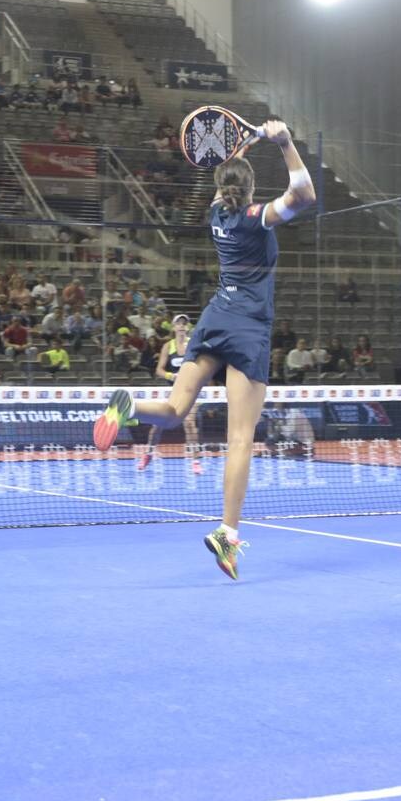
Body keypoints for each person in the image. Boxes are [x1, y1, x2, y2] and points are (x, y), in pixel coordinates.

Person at [91, 121, 315, 580]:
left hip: (213, 319)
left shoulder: (217, 215)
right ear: (251, 190)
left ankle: (128, 405)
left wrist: (250, 150)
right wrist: (286, 143)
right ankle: (226, 533)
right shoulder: (256, 218)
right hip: (249, 328)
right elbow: (304, 196)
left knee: (174, 409)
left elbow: (228, 185)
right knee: (239, 440)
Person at [137, 314, 205, 475]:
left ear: (188, 328)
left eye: (184, 323)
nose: (181, 326)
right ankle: (149, 454)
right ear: (174, 328)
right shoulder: (168, 346)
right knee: (157, 426)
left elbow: (202, 367)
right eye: (178, 323)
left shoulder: (194, 346)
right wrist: (171, 376)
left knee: (189, 423)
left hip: (190, 390)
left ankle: (195, 461)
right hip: (172, 391)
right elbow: (159, 370)